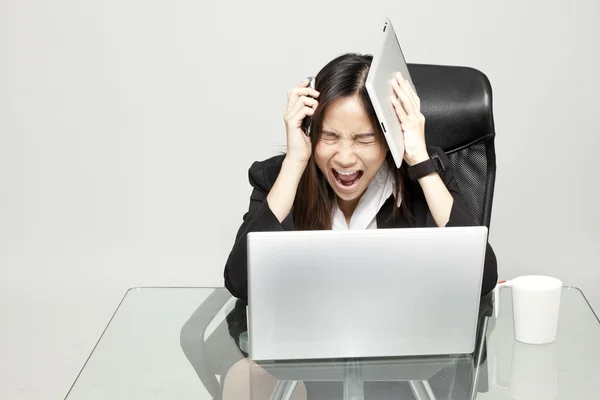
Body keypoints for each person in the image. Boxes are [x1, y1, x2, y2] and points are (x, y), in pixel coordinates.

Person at [223, 53, 498, 300]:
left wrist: (420, 162)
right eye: (329, 136)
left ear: (390, 136)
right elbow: (239, 284)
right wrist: (295, 163)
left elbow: (482, 279)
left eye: (364, 140)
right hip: (308, 348)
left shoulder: (425, 176)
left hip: (402, 345)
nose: (345, 157)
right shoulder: (275, 178)